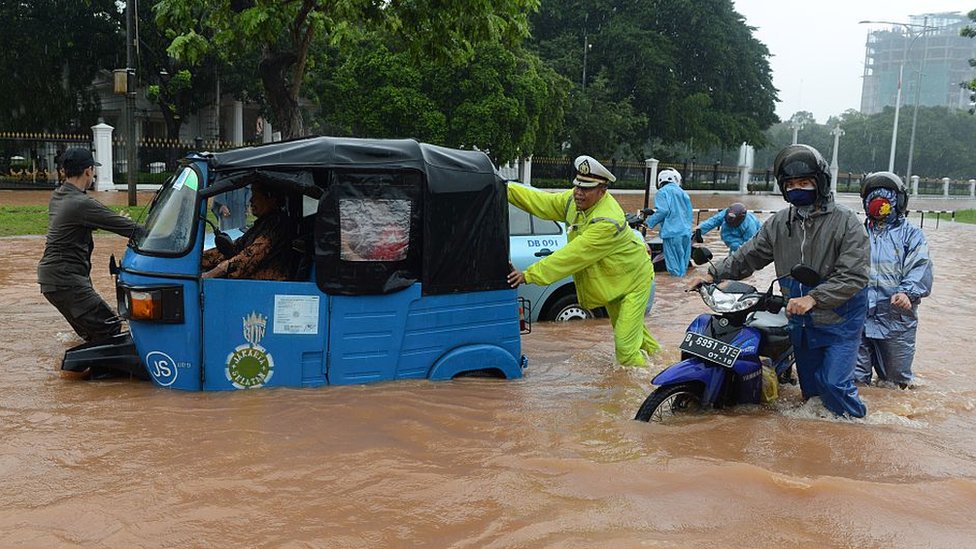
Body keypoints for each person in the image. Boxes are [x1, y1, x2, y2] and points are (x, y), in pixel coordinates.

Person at [685, 144, 870, 418]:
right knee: (812, 395)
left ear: (819, 183)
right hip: (800, 321)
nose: (797, 188)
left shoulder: (846, 223)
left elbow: (854, 274)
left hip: (840, 320)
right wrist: (713, 274)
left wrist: (814, 298)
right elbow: (750, 254)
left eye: (804, 182)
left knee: (834, 385)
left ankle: (859, 432)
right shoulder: (780, 222)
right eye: (792, 183)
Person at [506, 155, 660, 367]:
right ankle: (664, 363)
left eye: (586, 188)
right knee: (636, 337)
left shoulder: (607, 222)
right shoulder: (573, 200)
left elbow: (571, 256)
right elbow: (542, 202)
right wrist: (506, 189)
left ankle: (650, 388)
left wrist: (528, 275)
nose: (579, 192)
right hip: (612, 283)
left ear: (602, 191)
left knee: (625, 350)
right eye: (577, 186)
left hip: (633, 282)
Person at [37, 148, 144, 342]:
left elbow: (71, 225)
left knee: (93, 334)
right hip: (66, 280)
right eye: (93, 170)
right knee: (110, 326)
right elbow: (135, 230)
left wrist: (109, 221)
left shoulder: (58, 196)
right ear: (88, 171)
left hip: (51, 280)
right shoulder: (82, 203)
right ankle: (98, 371)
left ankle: (89, 369)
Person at [854, 172, 934, 389]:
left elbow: (920, 266)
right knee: (855, 382)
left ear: (898, 201)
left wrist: (907, 293)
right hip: (857, 317)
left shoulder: (911, 235)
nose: (879, 203)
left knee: (896, 385)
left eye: (887, 197)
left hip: (896, 318)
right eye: (873, 197)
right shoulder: (856, 232)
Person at [201, 182, 297, 280]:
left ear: (271, 199)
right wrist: (200, 258)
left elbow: (251, 255)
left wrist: (212, 273)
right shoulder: (263, 222)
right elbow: (235, 247)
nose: (251, 200)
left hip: (265, 284)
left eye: (256, 196)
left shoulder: (277, 224)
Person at [644, 168, 693, 276]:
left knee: (674, 268)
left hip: (672, 233)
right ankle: (683, 289)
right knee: (683, 265)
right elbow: (688, 213)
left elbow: (663, 210)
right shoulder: (683, 193)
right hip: (686, 233)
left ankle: (676, 288)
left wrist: (648, 222)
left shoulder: (662, 192)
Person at [695, 202, 762, 252]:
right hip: (732, 241)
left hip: (746, 242)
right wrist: (700, 229)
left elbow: (749, 245)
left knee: (738, 253)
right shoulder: (726, 213)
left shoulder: (750, 226)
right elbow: (713, 221)